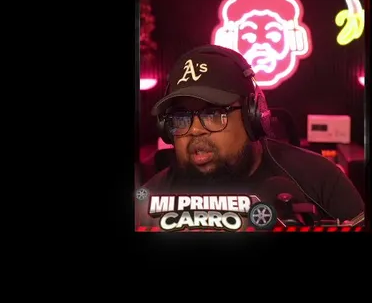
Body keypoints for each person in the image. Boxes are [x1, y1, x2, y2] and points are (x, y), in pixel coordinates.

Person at [139, 45, 364, 227]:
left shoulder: (322, 180)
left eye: (214, 114)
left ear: (253, 116)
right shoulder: (148, 200)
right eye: (180, 117)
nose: (195, 130)